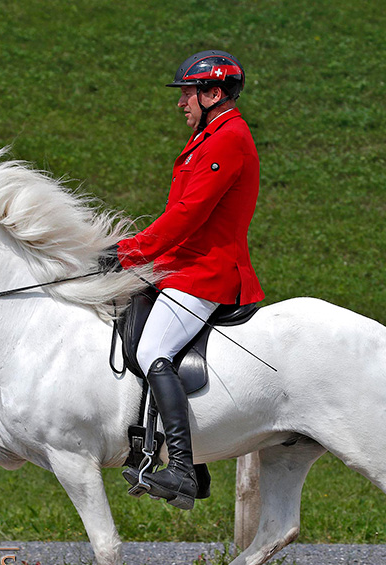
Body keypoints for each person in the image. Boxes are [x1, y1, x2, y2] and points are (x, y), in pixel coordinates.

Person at [99, 50, 264, 510]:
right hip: (182, 266)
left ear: (213, 93)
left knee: (154, 350)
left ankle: (186, 470)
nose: (181, 102)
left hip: (208, 272)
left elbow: (189, 215)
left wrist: (130, 252)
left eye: (189, 93)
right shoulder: (210, 134)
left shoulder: (228, 138)